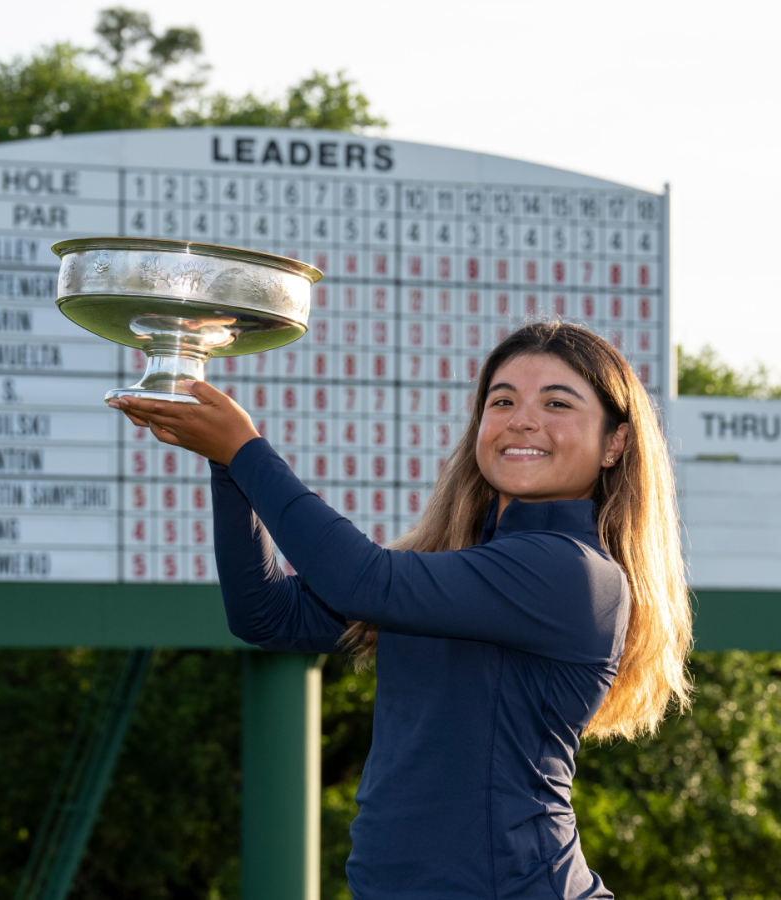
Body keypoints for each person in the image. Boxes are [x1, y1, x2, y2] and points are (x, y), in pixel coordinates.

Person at [110, 321, 692, 899]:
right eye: (503, 400)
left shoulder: (572, 572)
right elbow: (265, 614)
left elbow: (361, 580)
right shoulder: (461, 567)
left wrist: (245, 450)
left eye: (557, 402)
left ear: (615, 443)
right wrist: (227, 465)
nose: (522, 419)